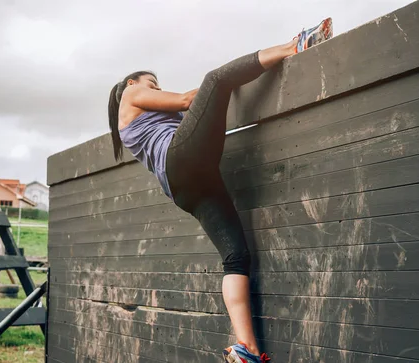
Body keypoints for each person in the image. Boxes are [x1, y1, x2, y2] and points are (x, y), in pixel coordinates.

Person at [108, 18, 333, 363]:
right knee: (215, 78)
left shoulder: (141, 121)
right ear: (132, 83)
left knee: (236, 259)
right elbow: (188, 99)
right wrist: (228, 80)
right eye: (152, 83)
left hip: (186, 188)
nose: (154, 89)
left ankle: (247, 348)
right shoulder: (131, 92)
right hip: (180, 161)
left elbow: (200, 115)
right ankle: (296, 44)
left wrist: (223, 90)